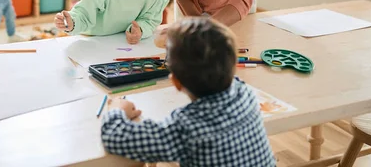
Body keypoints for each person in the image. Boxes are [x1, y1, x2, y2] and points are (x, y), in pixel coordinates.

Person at [101, 18, 275, 166]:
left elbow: (114, 137)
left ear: (175, 82)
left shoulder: (187, 127)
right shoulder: (245, 92)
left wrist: (117, 108)